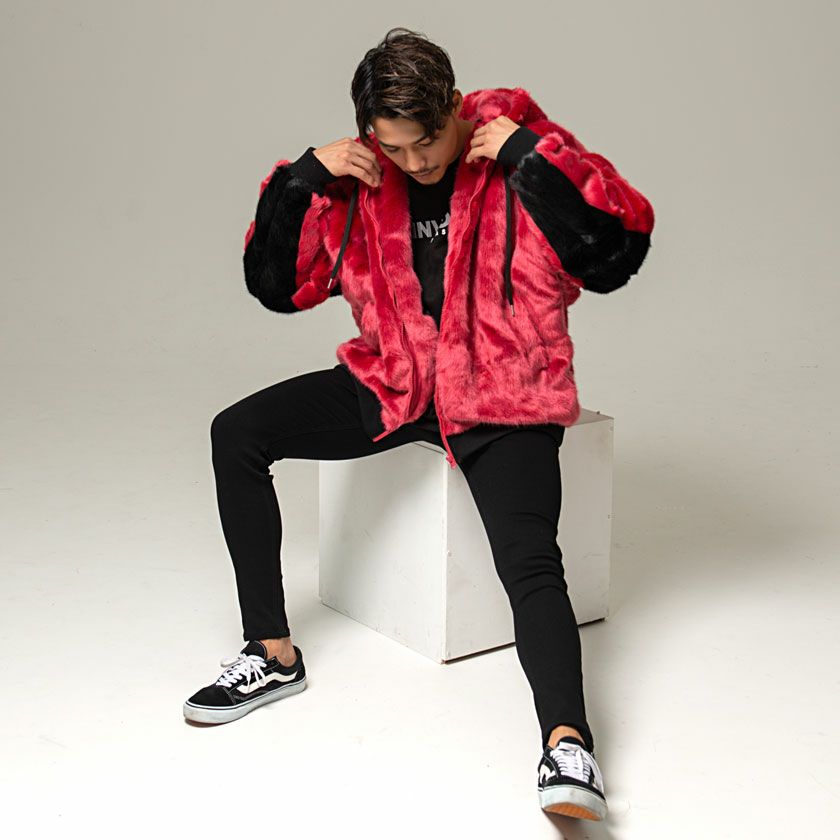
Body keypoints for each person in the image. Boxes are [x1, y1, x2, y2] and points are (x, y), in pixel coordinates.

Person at [182, 27, 654, 822]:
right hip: (395, 382)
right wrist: (304, 180)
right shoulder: (365, 177)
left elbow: (615, 254)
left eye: (427, 142)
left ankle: (568, 745)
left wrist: (530, 160)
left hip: (502, 391)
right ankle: (271, 652)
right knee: (237, 432)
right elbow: (276, 286)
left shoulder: (519, 147)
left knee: (529, 560)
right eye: (394, 147)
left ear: (455, 108)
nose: (415, 163)